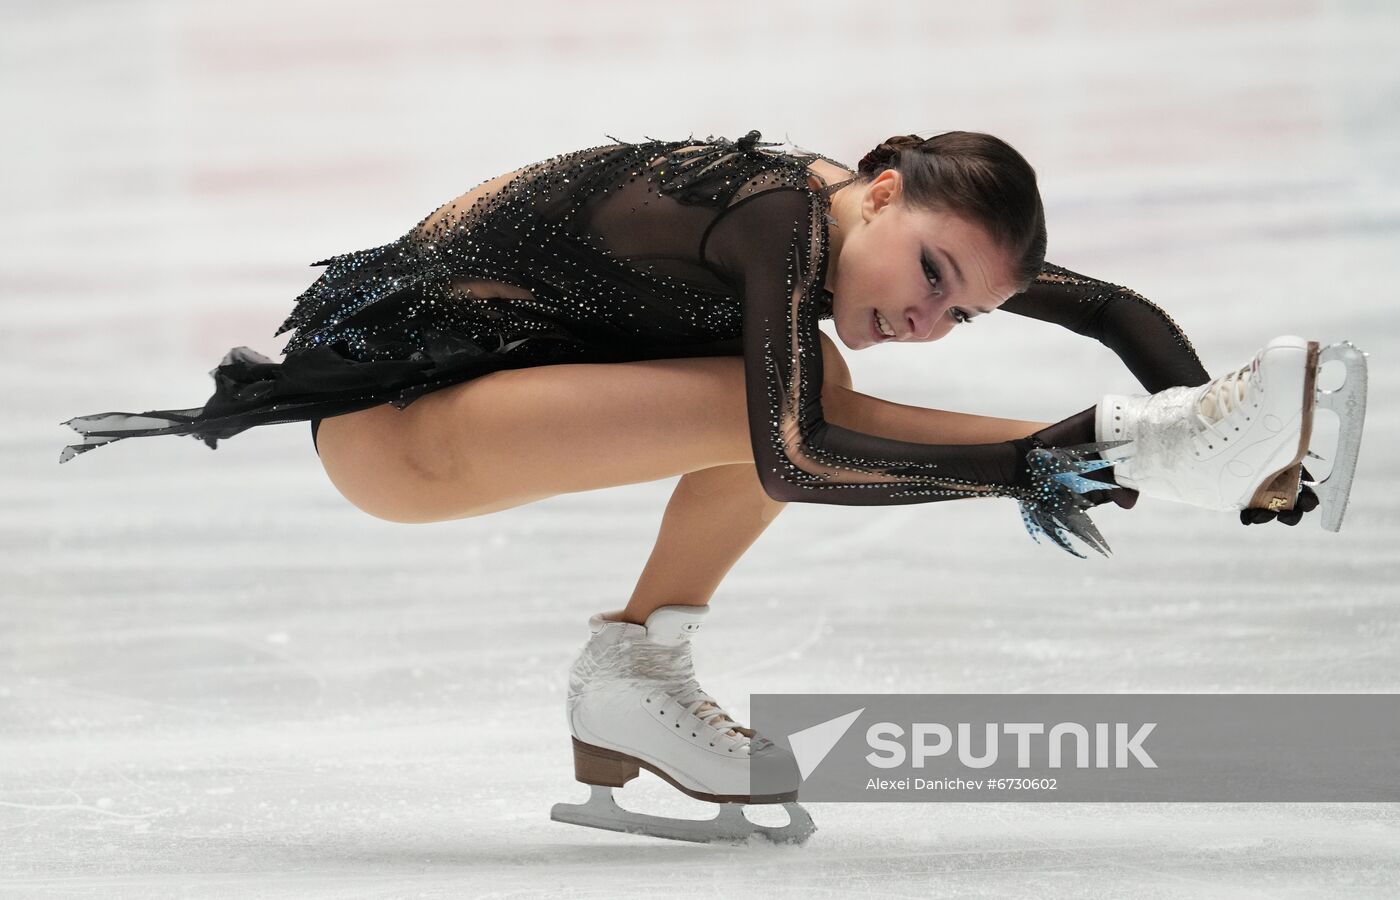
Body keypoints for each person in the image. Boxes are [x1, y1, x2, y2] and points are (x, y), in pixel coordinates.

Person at [59, 129, 1362, 844]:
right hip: (397, 431)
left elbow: (1110, 305)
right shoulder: (776, 222)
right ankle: (1137, 455)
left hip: (483, 397)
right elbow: (798, 456)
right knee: (801, 401)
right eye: (931, 279)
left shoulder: (837, 231)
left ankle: (631, 675)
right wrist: (1074, 463)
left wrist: (1210, 424)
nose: (930, 320)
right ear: (882, 190)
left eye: (962, 313)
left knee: (779, 379)